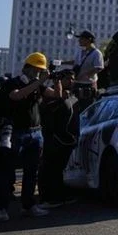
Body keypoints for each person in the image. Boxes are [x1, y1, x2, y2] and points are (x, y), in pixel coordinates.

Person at [0, 53, 54, 221]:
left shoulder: (37, 85)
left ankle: (28, 205)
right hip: (16, 132)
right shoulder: (13, 83)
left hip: (36, 132)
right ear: (28, 68)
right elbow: (15, 96)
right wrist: (39, 82)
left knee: (31, 172)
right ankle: (1, 208)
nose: (39, 73)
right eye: (37, 70)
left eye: (41, 70)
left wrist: (57, 80)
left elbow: (55, 95)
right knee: (7, 172)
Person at [38, 70, 77, 209]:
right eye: (67, 79)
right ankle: (47, 198)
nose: (71, 82)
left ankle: (59, 196)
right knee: (49, 169)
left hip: (64, 140)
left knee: (58, 170)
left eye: (73, 79)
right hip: (52, 140)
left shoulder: (71, 96)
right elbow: (48, 114)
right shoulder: (51, 97)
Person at [72, 30, 103, 108]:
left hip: (88, 85)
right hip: (77, 83)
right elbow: (76, 62)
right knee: (76, 107)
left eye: (81, 38)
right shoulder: (80, 51)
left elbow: (99, 67)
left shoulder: (96, 53)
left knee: (88, 107)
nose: (79, 40)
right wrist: (62, 62)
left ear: (88, 40)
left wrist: (86, 75)